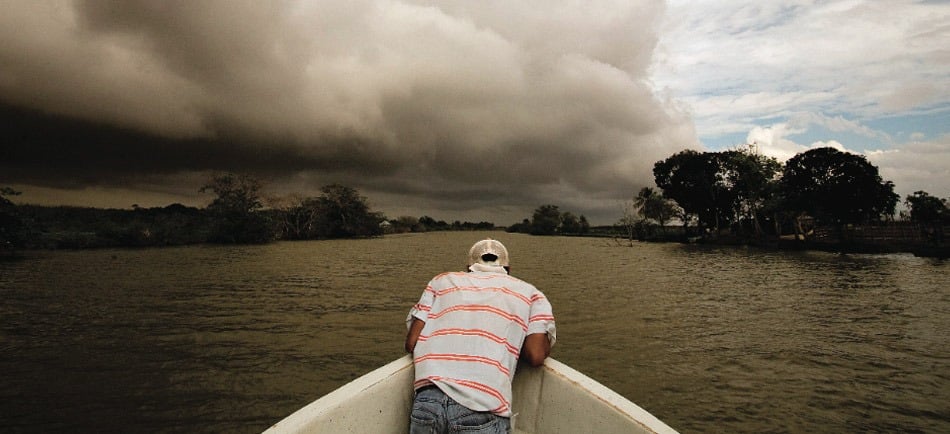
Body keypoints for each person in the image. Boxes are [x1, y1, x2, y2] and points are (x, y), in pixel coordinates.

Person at [405, 239, 556, 434]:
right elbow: (535, 355)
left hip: (428, 402)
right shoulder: (531, 293)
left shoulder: (441, 281)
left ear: (468, 268)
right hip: (482, 404)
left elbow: (411, 342)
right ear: (508, 269)